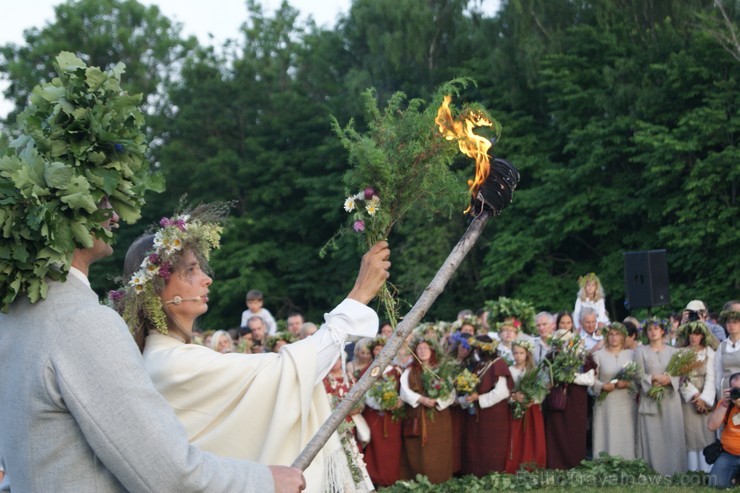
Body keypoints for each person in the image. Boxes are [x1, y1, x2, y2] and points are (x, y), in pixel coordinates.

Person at [0, 53, 302, 493]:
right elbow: (167, 475)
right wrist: (263, 480)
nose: (117, 210)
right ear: (63, 204)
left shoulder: (14, 318)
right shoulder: (84, 322)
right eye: (104, 190)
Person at [111, 206, 391, 493]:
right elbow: (289, 372)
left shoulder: (167, 358)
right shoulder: (169, 363)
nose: (206, 278)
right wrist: (358, 295)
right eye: (191, 270)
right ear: (158, 287)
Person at [634, 318, 687, 475]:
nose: (653, 331)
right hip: (650, 396)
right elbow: (638, 374)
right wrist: (652, 379)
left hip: (670, 398)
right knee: (652, 435)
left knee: (672, 433)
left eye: (656, 328)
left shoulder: (673, 351)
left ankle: (675, 470)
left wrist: (669, 379)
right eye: (649, 329)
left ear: (662, 331)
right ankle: (653, 470)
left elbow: (681, 374)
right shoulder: (640, 351)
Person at [399, 338, 456, 484]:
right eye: (419, 349)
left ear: (432, 351)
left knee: (439, 448)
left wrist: (438, 401)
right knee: (419, 450)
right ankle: (421, 480)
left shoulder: (441, 370)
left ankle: (441, 480)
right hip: (418, 416)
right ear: (415, 352)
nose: (422, 351)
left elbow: (451, 392)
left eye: (426, 348)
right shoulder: (410, 370)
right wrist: (421, 399)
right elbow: (404, 391)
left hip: (439, 416)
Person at [461, 335, 512, 476]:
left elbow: (502, 392)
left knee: (492, 445)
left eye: (478, 348)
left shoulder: (498, 363)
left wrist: (479, 398)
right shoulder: (480, 365)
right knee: (478, 444)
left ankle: (493, 473)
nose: (475, 351)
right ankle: (477, 473)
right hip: (479, 414)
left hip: (494, 415)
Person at [591, 322, 637, 460]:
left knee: (626, 433)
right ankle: (605, 463)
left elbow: (639, 379)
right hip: (606, 403)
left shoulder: (631, 355)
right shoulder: (598, 355)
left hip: (626, 403)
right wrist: (602, 386)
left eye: (617, 334)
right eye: (611, 334)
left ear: (623, 336)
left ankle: (628, 463)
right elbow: (591, 380)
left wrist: (629, 384)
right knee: (606, 432)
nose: (614, 337)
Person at [362, 337, 404, 487]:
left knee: (391, 449)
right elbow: (364, 394)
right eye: (377, 349)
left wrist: (397, 402)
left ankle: (391, 480)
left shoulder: (396, 371)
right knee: (375, 449)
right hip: (374, 416)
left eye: (383, 349)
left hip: (392, 418)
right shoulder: (368, 371)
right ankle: (375, 481)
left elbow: (402, 390)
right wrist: (382, 404)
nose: (380, 352)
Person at [678, 321, 716, 473]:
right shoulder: (681, 353)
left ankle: (708, 469)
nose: (694, 337)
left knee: (706, 432)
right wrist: (694, 395)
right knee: (691, 433)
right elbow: (680, 377)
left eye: (697, 334)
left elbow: (711, 377)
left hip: (706, 399)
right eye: (692, 334)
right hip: (689, 399)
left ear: (703, 336)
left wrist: (704, 399)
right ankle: (693, 470)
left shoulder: (709, 352)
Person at [505, 340, 546, 473]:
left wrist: (532, 399)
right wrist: (513, 397)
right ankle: (515, 463)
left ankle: (533, 464)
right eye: (515, 353)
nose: (518, 356)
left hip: (531, 409)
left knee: (532, 437)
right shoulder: (509, 370)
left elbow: (542, 390)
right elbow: (506, 390)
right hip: (516, 408)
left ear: (527, 354)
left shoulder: (533, 370)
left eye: (521, 353)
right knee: (517, 437)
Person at [708, 372, 740, 488]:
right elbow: (711, 426)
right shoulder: (726, 403)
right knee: (716, 483)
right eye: (736, 389)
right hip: (729, 454)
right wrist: (725, 405)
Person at [715, 305, 740, 396]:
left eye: (735, 322)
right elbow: (718, 371)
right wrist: (719, 392)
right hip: (726, 390)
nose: (731, 325)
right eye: (728, 322)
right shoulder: (722, 346)